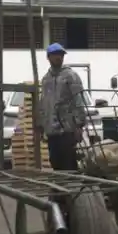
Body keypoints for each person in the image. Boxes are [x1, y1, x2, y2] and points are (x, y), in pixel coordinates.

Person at [38, 43, 87, 171]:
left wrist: (79, 124)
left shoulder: (70, 76)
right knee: (55, 160)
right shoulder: (45, 80)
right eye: (55, 55)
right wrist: (41, 125)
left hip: (67, 128)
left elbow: (78, 100)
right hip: (51, 130)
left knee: (69, 161)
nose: (59, 58)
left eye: (61, 55)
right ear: (48, 57)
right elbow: (43, 103)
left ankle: (71, 189)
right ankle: (60, 189)